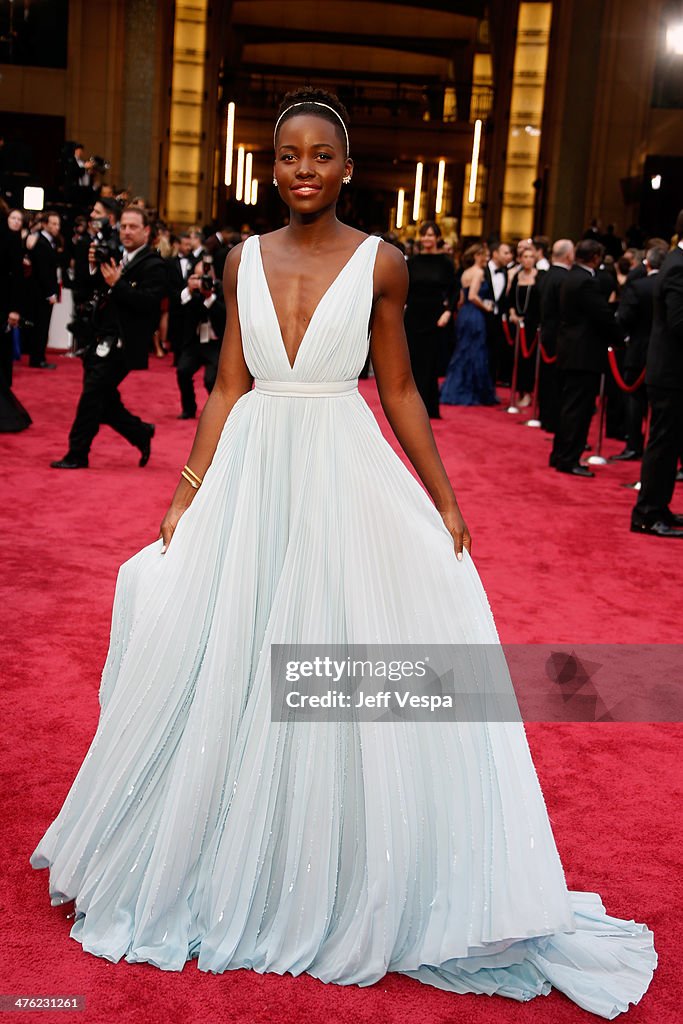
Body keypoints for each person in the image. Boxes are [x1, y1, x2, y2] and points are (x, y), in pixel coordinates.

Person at [30, 87, 656, 1017]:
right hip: (251, 475)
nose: (305, 170)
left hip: (341, 468)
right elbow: (228, 387)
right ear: (271, 166)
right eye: (289, 156)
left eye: (322, 155)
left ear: (347, 167)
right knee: (227, 652)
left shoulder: (384, 265)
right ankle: (223, 844)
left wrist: (444, 497)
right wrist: (185, 496)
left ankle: (332, 860)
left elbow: (399, 390)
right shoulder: (242, 258)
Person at [50, 206, 166, 469]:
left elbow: (149, 304)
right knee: (104, 400)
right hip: (98, 337)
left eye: (133, 226)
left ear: (146, 231)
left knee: (92, 396)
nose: (126, 231)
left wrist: (118, 284)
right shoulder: (114, 256)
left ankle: (77, 453)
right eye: (123, 226)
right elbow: (88, 289)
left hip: (124, 344)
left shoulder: (155, 265)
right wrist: (93, 267)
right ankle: (140, 432)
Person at [550, 240, 623, 477]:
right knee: (578, 409)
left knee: (568, 405)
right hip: (584, 353)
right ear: (594, 257)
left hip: (570, 349)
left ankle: (560, 454)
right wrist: (621, 338)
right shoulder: (586, 281)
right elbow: (602, 315)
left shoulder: (572, 276)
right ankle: (569, 459)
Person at [631, 212, 683, 537]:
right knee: (663, 445)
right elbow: (679, 323)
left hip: (671, 372)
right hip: (670, 373)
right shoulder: (678, 265)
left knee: (668, 444)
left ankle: (658, 508)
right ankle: (648, 514)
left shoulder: (676, 261)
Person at [613, 245, 667, 461]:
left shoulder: (638, 286)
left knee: (635, 402)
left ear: (648, 263)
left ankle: (634, 445)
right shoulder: (672, 285)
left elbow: (624, 318)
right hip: (665, 354)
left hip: (638, 351)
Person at [403, 220, 456, 418]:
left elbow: (454, 289)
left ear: (438, 238)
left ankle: (428, 407)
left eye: (431, 235)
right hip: (414, 315)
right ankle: (410, 407)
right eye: (424, 234)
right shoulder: (412, 262)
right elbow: (404, 287)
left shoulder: (445, 263)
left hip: (435, 317)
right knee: (412, 360)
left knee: (431, 362)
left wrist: (448, 312)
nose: (427, 238)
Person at [440, 242, 497, 406]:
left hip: (464, 313)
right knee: (475, 350)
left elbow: (461, 299)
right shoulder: (478, 272)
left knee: (463, 350)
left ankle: (456, 387)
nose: (487, 258)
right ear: (477, 255)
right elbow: (472, 296)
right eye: (485, 255)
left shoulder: (465, 272)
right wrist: (485, 306)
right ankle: (471, 390)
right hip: (475, 315)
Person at [537, 238, 574, 434]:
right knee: (555, 381)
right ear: (568, 255)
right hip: (559, 336)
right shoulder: (563, 278)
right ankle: (552, 419)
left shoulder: (546, 275)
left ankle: (545, 416)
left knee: (546, 378)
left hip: (546, 332)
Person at [507, 244, 544, 407]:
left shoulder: (541, 276)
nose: (528, 260)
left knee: (530, 360)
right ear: (520, 259)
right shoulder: (517, 276)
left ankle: (529, 393)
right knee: (518, 359)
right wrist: (513, 313)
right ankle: (519, 392)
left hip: (532, 325)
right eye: (525, 257)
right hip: (518, 325)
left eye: (531, 257)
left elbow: (541, 301)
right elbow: (510, 299)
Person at [24, 210, 61, 369]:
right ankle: (37, 358)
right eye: (53, 223)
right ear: (44, 224)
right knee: (41, 326)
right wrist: (50, 293)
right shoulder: (40, 243)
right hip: (40, 293)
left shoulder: (49, 242)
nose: (56, 227)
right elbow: (43, 271)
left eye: (58, 223)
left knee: (43, 325)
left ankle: (39, 356)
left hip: (42, 291)